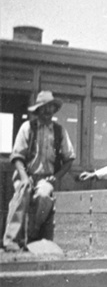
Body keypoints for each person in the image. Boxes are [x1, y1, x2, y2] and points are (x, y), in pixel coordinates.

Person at [3, 91, 76, 251]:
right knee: (23, 192)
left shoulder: (59, 131)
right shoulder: (27, 127)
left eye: (50, 107)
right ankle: (10, 240)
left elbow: (69, 159)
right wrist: (24, 178)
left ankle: (32, 237)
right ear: (38, 110)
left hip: (46, 178)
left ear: (54, 110)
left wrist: (56, 177)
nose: (47, 111)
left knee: (43, 195)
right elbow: (17, 156)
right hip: (25, 174)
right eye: (44, 108)